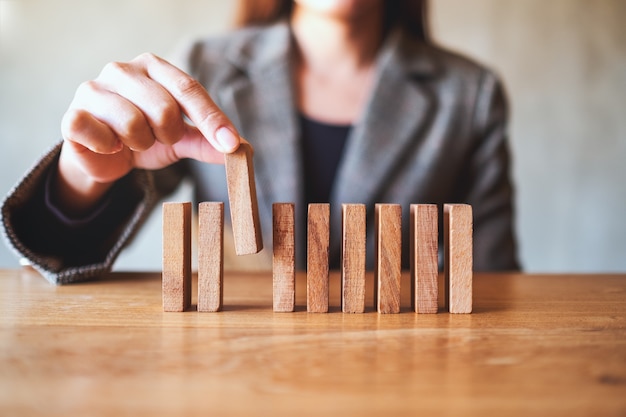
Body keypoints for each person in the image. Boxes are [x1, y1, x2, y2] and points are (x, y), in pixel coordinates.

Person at [1, 0, 520, 284]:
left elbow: (494, 281)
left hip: (401, 376)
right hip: (233, 371)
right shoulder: (207, 68)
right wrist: (83, 176)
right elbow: (58, 253)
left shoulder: (468, 95)